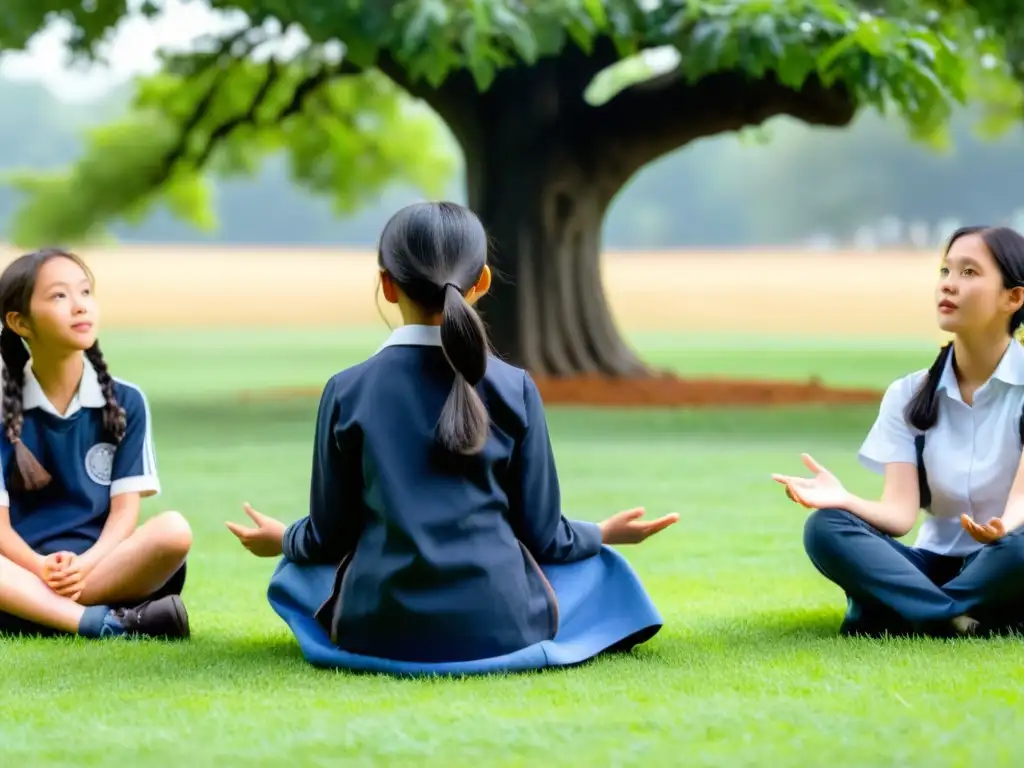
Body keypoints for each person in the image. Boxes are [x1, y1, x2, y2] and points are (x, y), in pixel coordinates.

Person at [226, 201, 677, 673]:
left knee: (296, 571)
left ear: (386, 285)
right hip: (504, 626)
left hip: (377, 628)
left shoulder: (346, 390)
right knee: (601, 568)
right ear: (481, 281)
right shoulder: (515, 387)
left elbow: (327, 538)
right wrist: (602, 533)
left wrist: (284, 539)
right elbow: (546, 539)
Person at [773, 226, 1024, 638]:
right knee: (826, 528)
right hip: (930, 564)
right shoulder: (908, 394)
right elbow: (899, 514)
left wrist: (1002, 529)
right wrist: (844, 500)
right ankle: (954, 616)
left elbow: (1021, 500)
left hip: (1005, 557)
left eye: (969, 273)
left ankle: (902, 608)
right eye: (945, 270)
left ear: (1013, 297)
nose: (949, 284)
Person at [0, 248, 191, 640]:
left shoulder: (126, 402)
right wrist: (40, 567)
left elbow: (125, 516)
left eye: (85, 293)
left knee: (173, 531)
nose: (79, 307)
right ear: (20, 322)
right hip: (21, 568)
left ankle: (35, 611)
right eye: (59, 296)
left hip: (103, 566)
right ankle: (104, 623)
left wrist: (84, 566)